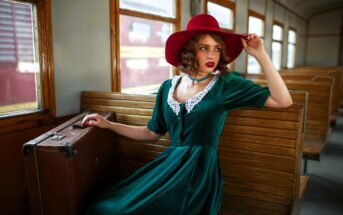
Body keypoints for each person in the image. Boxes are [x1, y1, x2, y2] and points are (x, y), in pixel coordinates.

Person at [84, 14, 292, 215]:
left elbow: (283, 101)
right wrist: (109, 125)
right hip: (168, 167)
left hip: (198, 174)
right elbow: (151, 133)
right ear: (189, 51)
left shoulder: (227, 84)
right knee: (106, 207)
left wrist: (261, 56)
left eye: (217, 49)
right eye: (204, 48)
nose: (212, 55)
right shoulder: (167, 87)